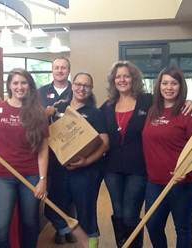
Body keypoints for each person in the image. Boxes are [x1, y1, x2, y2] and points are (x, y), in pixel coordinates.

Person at [100, 61, 192, 247]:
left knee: (130, 214)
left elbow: (170, 100)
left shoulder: (147, 100)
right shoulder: (107, 106)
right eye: (118, 76)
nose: (122, 80)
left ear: (134, 78)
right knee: (118, 213)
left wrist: (187, 101)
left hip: (139, 169)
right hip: (112, 169)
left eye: (126, 76)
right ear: (113, 81)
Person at [0, 68, 49, 248]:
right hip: (2, 175)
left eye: (23, 83)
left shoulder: (38, 112)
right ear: (9, 86)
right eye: (15, 83)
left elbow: (43, 148)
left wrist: (42, 180)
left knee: (29, 224)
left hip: (31, 175)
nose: (19, 87)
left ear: (29, 85)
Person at [142, 67, 192, 248]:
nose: (169, 87)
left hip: (185, 183)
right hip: (155, 182)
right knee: (153, 225)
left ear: (180, 86)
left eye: (174, 83)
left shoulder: (188, 113)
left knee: (182, 229)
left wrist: (187, 169)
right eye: (165, 82)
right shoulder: (152, 110)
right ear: (159, 85)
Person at [49, 72, 109, 247]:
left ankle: (90, 242)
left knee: (86, 213)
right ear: (72, 85)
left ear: (91, 89)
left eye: (86, 85)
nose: (81, 88)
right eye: (78, 84)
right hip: (60, 170)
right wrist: (47, 112)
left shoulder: (95, 113)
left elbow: (104, 143)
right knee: (52, 209)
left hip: (85, 172)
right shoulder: (59, 108)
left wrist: (86, 162)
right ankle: (70, 232)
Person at [38, 57, 77, 244]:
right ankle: (61, 227)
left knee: (70, 192)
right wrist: (44, 115)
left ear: (69, 70)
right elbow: (33, 119)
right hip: (49, 151)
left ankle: (68, 229)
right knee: (53, 192)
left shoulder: (76, 90)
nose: (60, 70)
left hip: (72, 150)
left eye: (63, 67)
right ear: (52, 70)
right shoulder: (41, 92)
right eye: (56, 68)